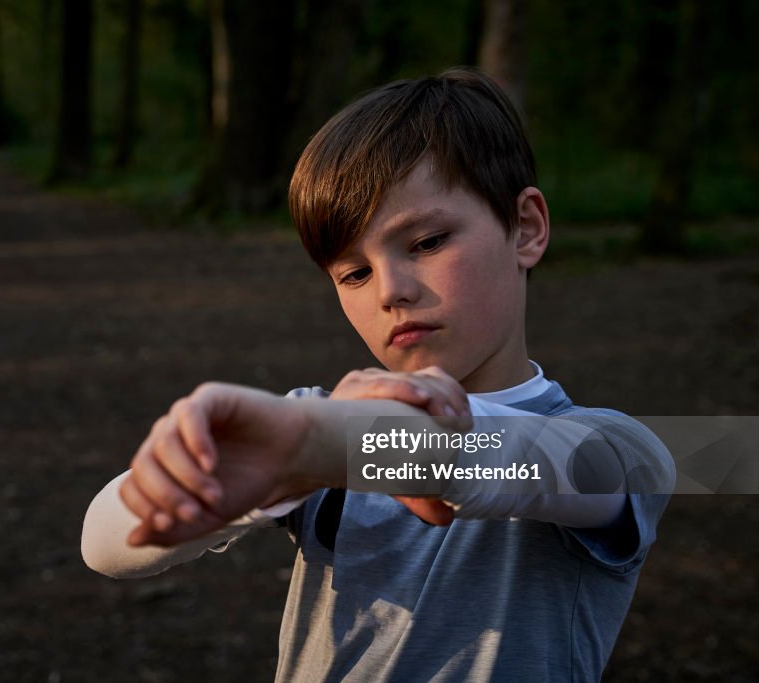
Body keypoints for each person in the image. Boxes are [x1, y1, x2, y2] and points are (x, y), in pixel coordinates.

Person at [81, 68, 675, 682]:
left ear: (525, 227)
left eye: (426, 241)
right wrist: (281, 465)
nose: (391, 290)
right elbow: (105, 543)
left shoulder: (619, 449)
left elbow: (519, 464)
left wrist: (345, 444)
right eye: (354, 274)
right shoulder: (319, 426)